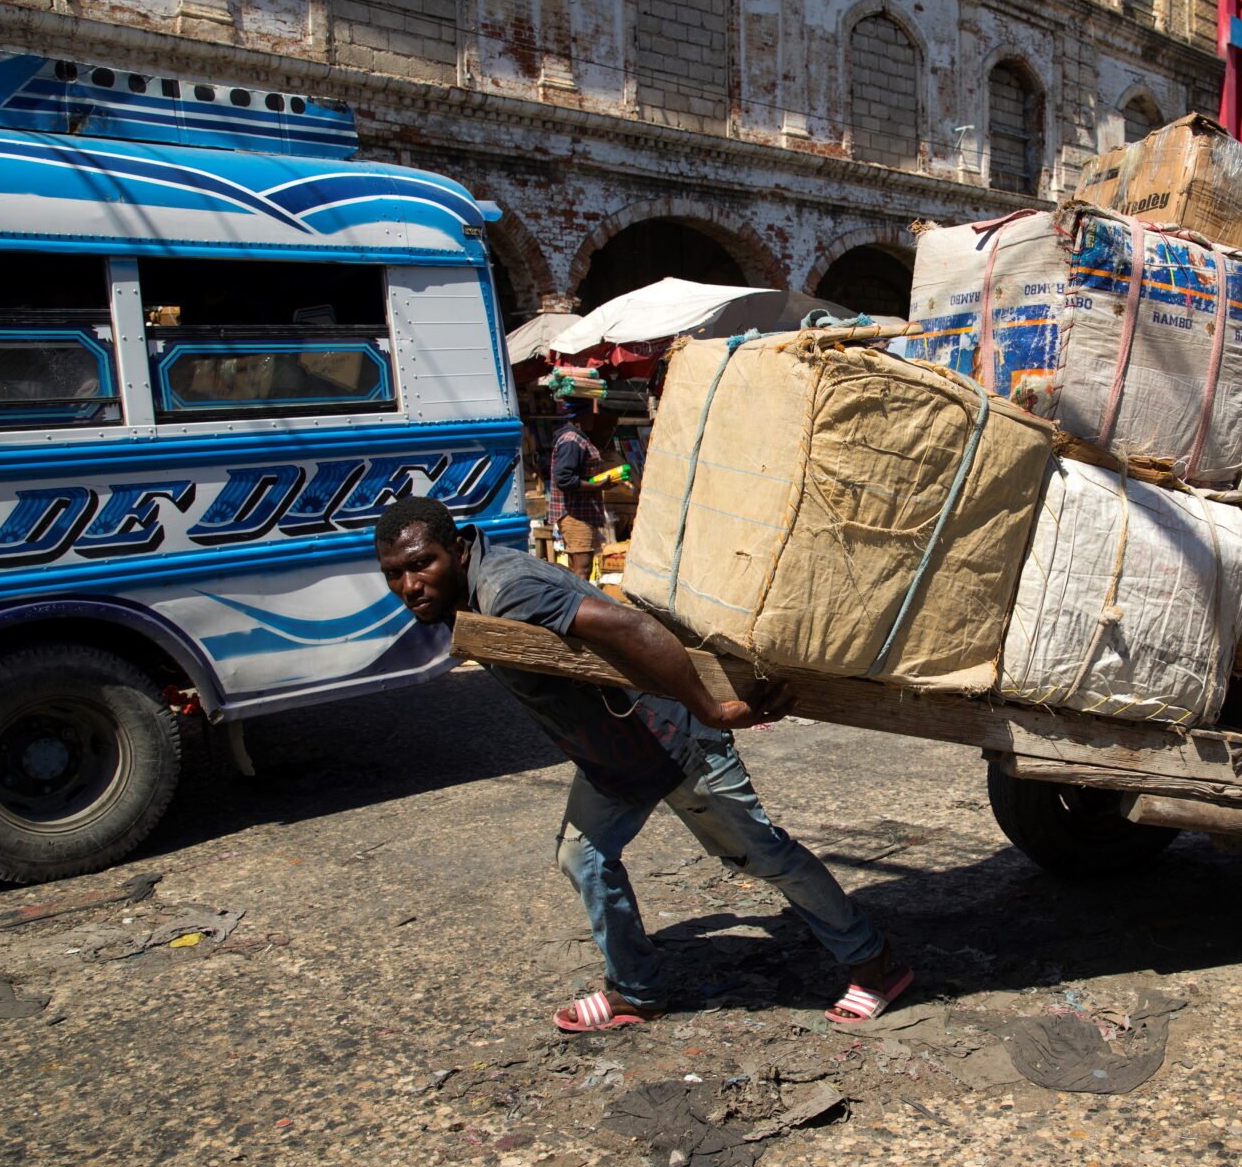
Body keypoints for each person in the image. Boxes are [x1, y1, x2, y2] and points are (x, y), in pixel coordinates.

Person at [373, 495, 911, 1031]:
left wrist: (712, 710)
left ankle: (872, 963)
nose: (410, 585)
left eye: (423, 564)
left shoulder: (508, 591)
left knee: (764, 857)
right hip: (615, 754)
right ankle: (637, 990)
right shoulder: (473, 593)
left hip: (670, 737)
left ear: (459, 548)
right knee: (583, 859)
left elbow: (631, 629)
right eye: (394, 574)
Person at [549, 399, 611, 579]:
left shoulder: (577, 438)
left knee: (577, 570)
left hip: (581, 513)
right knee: (582, 569)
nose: (594, 418)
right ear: (580, 415)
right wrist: (597, 486)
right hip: (575, 514)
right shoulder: (572, 441)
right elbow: (564, 478)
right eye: (591, 413)